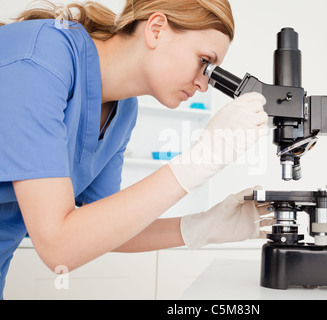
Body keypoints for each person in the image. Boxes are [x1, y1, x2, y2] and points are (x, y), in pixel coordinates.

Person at [0, 0, 270, 299]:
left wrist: (202, 227)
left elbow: (100, 230)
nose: (203, 84)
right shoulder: (39, 59)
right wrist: (200, 160)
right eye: (204, 61)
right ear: (156, 29)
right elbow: (59, 246)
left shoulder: (124, 109)